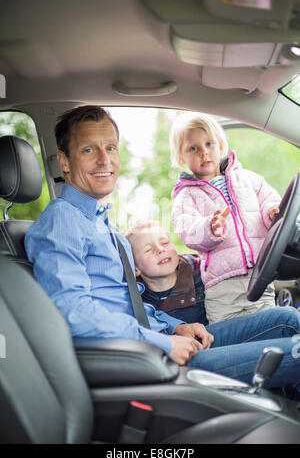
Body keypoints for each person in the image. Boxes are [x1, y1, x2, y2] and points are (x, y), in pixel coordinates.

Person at [25, 105, 300, 395]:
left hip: (150, 341)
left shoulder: (101, 223)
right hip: (140, 359)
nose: (105, 159)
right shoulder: (61, 222)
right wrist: (163, 343)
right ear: (64, 161)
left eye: (110, 147)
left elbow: (124, 303)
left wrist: (173, 327)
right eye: (89, 151)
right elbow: (72, 312)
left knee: (286, 320)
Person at [170, 111, 281, 324]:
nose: (204, 152)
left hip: (259, 274)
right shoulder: (186, 195)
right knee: (229, 330)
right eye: (193, 148)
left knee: (269, 327)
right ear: (181, 158)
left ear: (221, 146)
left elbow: (269, 198)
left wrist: (272, 212)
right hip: (221, 285)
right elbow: (188, 230)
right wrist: (210, 227)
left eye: (209, 144)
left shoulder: (248, 179)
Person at [125, 219, 207, 325]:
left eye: (164, 243)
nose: (160, 249)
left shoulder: (201, 272)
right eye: (148, 250)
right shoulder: (136, 299)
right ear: (135, 269)